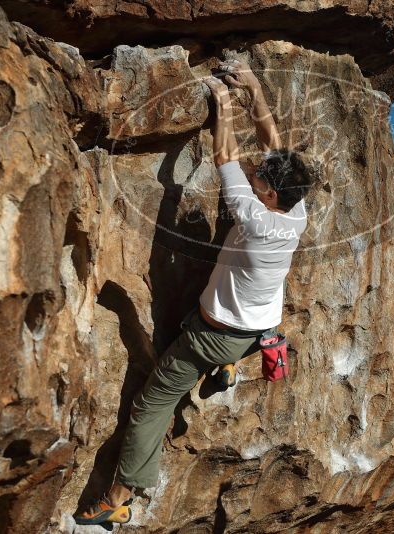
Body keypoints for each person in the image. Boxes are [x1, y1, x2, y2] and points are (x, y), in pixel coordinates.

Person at [74, 58, 313, 525]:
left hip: (215, 332)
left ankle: (120, 494)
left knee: (153, 403)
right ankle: (224, 367)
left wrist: (221, 101)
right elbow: (274, 145)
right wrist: (254, 89)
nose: (255, 171)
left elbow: (224, 155)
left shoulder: (254, 218)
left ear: (265, 197)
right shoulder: (295, 211)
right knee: (213, 333)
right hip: (257, 329)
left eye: (260, 177)